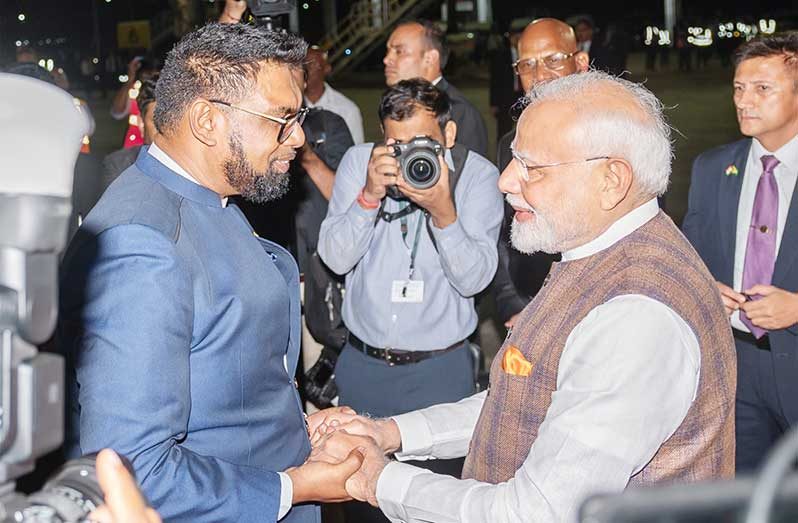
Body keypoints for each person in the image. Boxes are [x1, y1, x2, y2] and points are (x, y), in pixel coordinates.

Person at [312, 70, 737, 522]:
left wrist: (380, 479)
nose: (506, 180)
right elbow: (518, 399)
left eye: (532, 166)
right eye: (514, 159)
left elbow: (532, 512)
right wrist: (391, 433)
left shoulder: (635, 318)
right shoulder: (596, 254)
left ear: (612, 180)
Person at [58, 23, 365, 522]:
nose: (299, 137)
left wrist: (291, 427)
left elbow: (217, 367)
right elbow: (132, 469)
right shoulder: (141, 245)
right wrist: (292, 487)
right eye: (282, 118)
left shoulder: (203, 196)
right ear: (207, 121)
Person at [317, 78, 503, 522]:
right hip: (364, 368)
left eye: (421, 142)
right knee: (360, 500)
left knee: (434, 505)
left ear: (449, 135)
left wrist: (445, 213)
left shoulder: (478, 178)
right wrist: (367, 198)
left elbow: (475, 280)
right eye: (395, 143)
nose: (406, 156)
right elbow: (334, 258)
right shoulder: (360, 163)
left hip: (441, 375)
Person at [682, 32, 798, 472]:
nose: (744, 101)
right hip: (735, 370)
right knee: (746, 499)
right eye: (738, 88)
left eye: (762, 89)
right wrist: (704, 287)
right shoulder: (712, 168)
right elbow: (689, 259)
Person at [493, 18, 589, 327]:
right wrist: (510, 302)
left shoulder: (616, 137)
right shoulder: (510, 144)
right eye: (527, 65)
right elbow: (504, 235)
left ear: (581, 62)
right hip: (528, 306)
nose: (539, 76)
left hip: (597, 313)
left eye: (553, 60)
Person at [384, 20, 488, 157]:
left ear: (430, 58)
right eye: (388, 51)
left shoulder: (459, 111)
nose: (387, 59)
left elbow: (472, 173)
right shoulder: (394, 103)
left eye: (399, 51)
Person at [102, 77, 158, 190]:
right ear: (141, 123)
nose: (166, 130)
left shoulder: (194, 167)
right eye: (156, 121)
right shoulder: (119, 166)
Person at [304, 46, 365, 145]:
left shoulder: (347, 110)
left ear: (326, 69)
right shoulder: (292, 104)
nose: (306, 70)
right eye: (303, 64)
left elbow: (356, 154)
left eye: (312, 64)